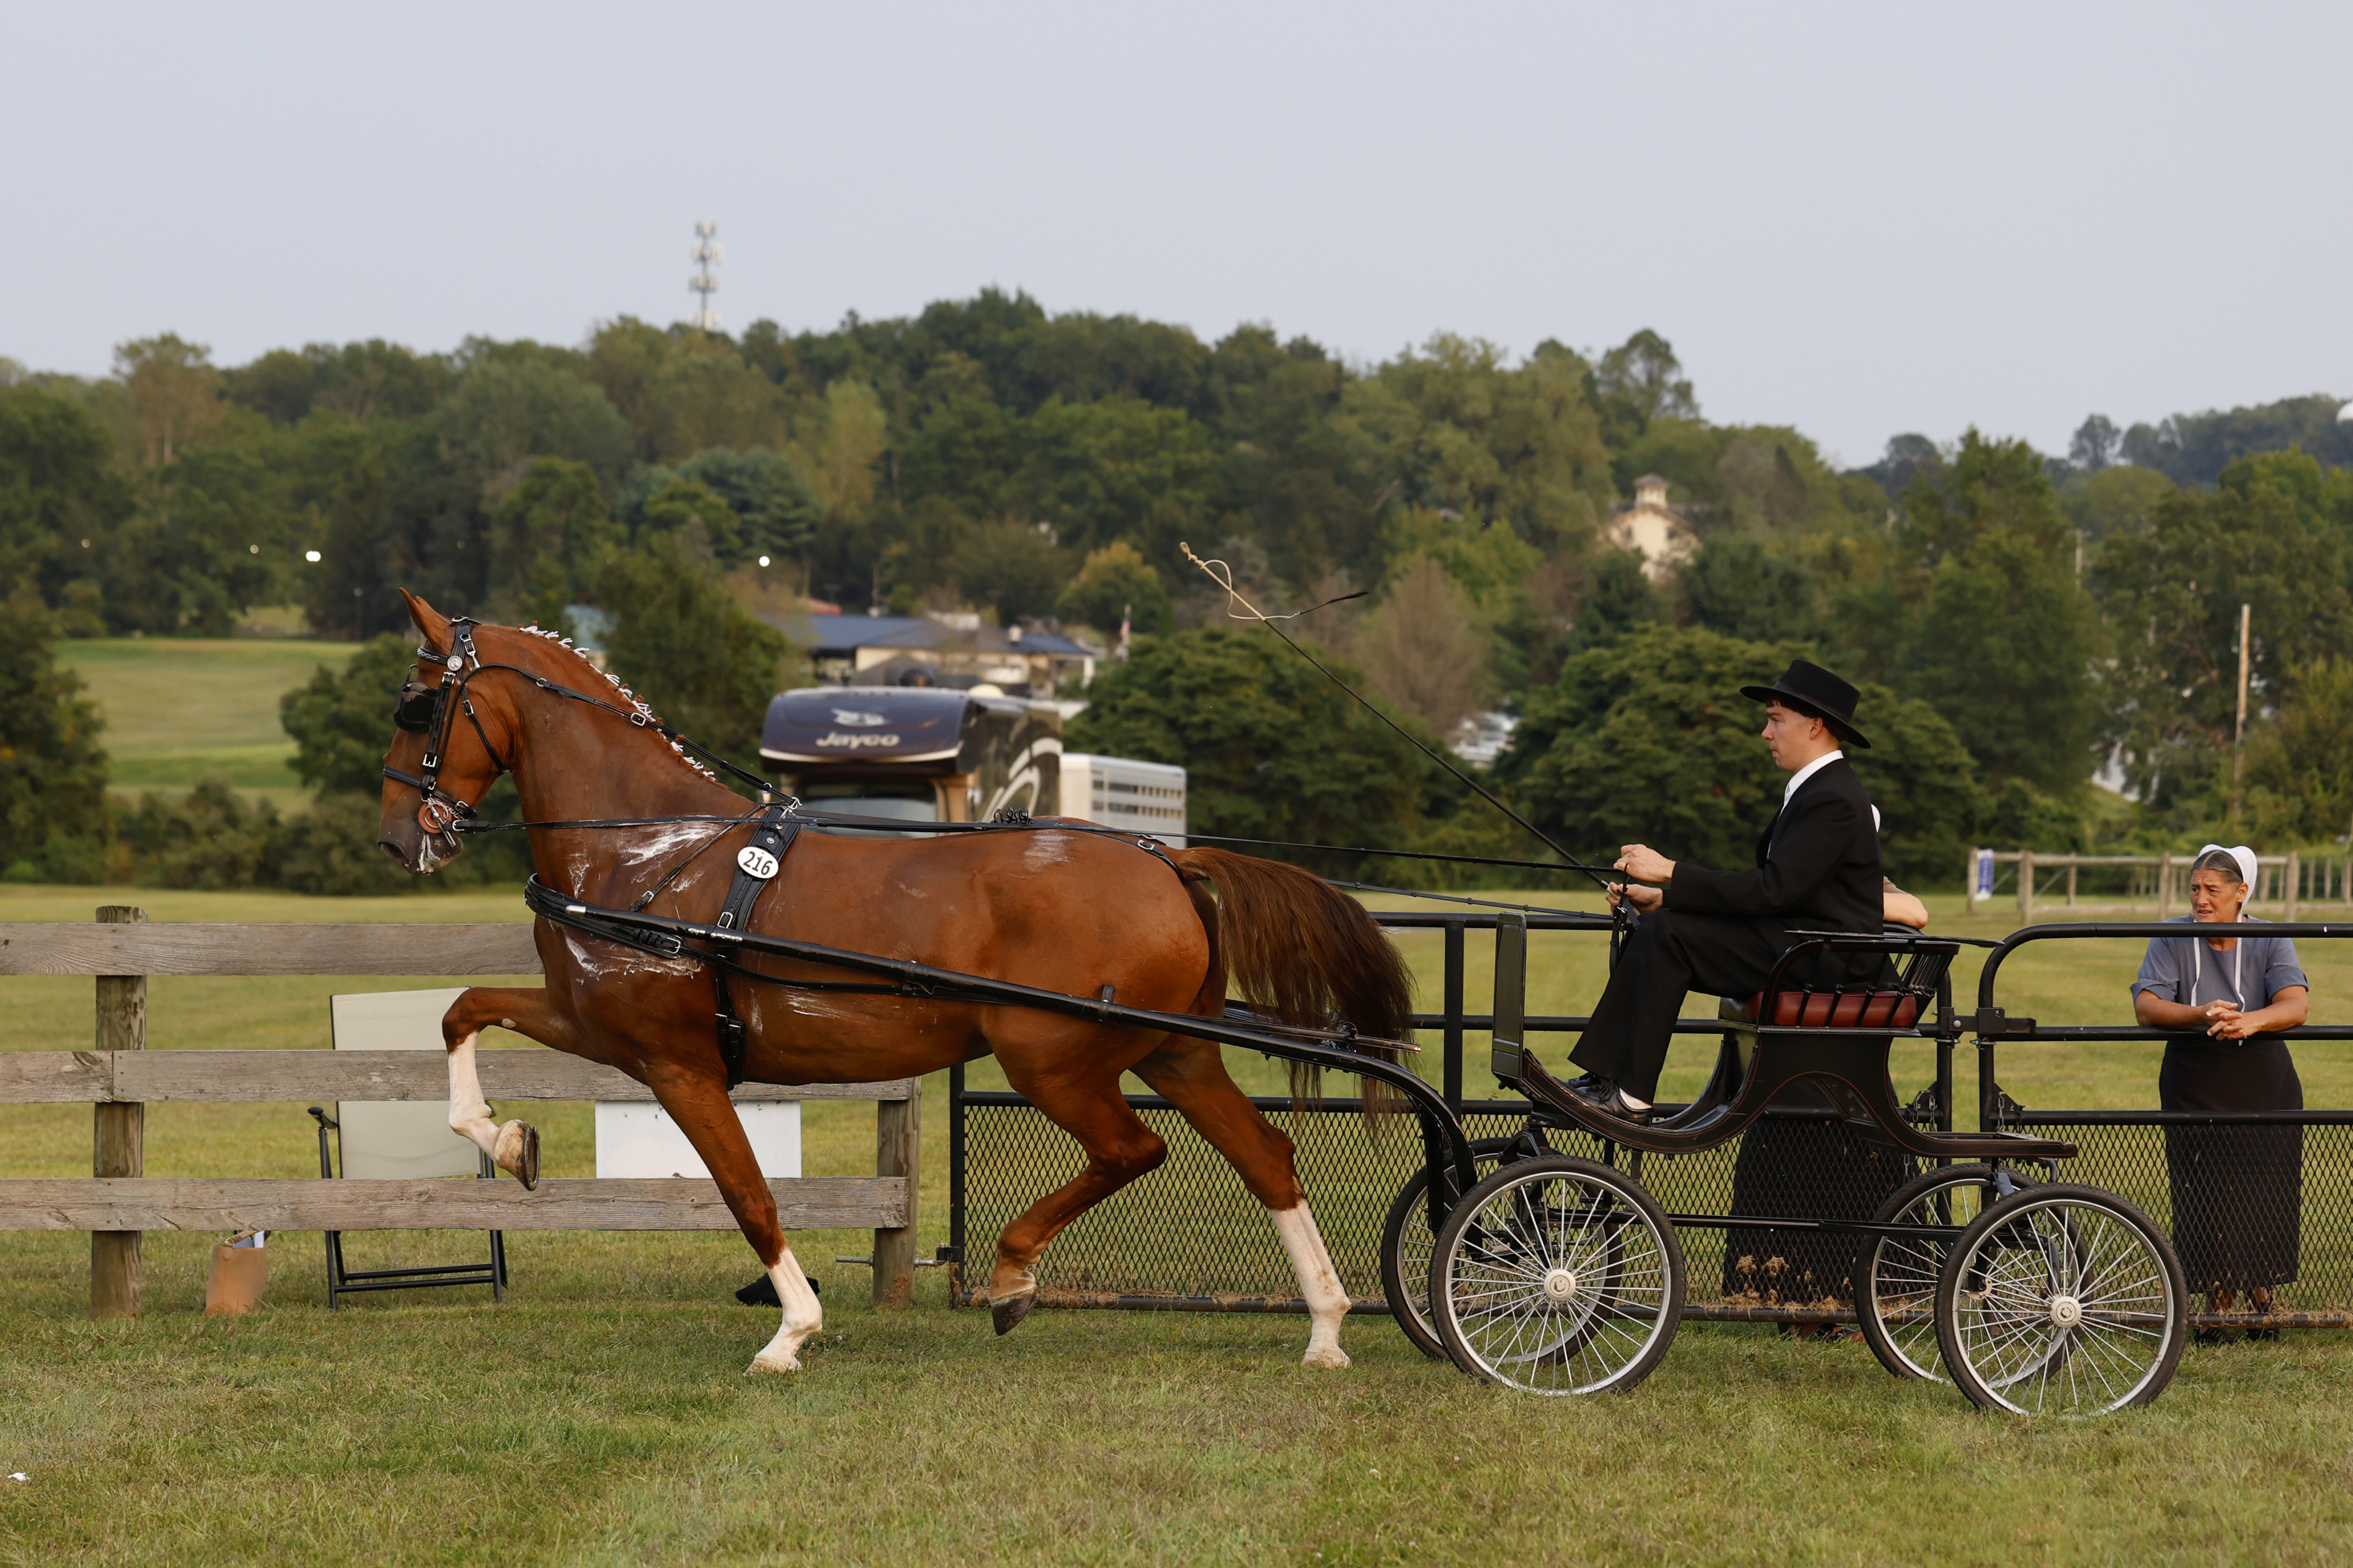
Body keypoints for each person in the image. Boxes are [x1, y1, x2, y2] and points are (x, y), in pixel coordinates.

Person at [1565, 659, 1885, 1120]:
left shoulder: (1833, 795)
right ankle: (1610, 1080)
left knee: (1668, 936)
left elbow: (1775, 891)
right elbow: (1778, 891)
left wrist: (1671, 872)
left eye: (1776, 720)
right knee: (1660, 926)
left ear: (1815, 727)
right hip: (1801, 943)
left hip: (1821, 957)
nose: (1766, 733)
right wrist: (1662, 899)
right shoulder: (1820, 788)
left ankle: (1629, 1094)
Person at [2130, 843, 2308, 1341]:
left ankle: (2262, 1299)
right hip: (2195, 1081)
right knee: (2202, 1187)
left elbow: (2295, 1004)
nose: (2201, 899)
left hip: (2264, 1081)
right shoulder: (2171, 935)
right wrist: (2200, 1013)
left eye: (2213, 889)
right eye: (2195, 888)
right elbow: (2147, 1005)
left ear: (2241, 893)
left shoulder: (2270, 937)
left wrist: (2251, 1020)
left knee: (2263, 1189)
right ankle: (2216, 1303)